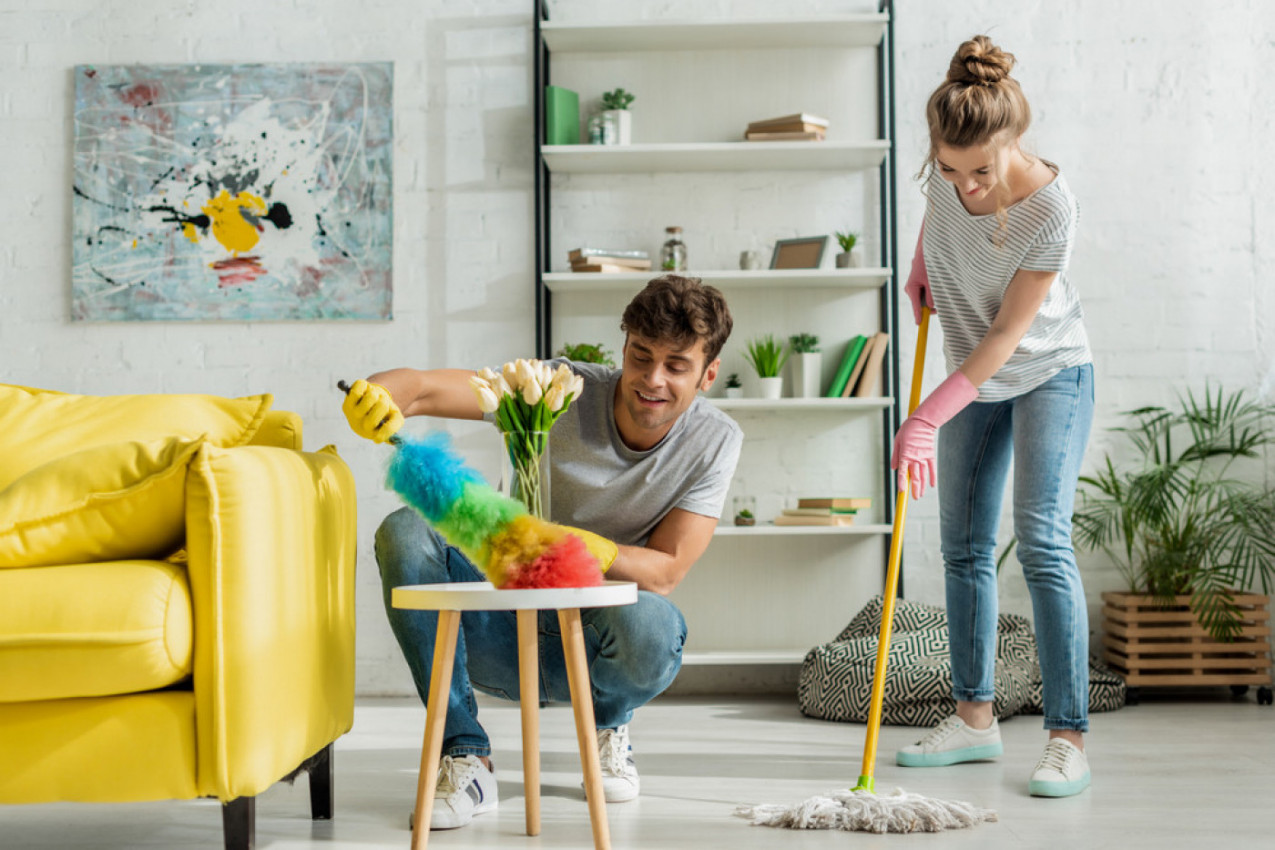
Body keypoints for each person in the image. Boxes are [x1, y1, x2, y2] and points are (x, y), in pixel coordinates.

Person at [342, 273, 743, 830]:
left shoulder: (715, 440)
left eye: (676, 365)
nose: (652, 379)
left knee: (655, 626)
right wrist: (381, 394)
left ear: (708, 374)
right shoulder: (558, 388)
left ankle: (609, 724)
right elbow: (425, 387)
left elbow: (667, 569)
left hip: (599, 642)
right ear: (622, 348)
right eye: (641, 356)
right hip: (499, 625)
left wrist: (586, 548)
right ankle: (464, 755)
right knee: (405, 529)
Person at [890, 36, 1095, 798]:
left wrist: (923, 421)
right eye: (949, 169)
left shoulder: (1049, 207)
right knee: (963, 547)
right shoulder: (946, 170)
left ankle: (1067, 737)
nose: (966, 186)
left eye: (982, 171)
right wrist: (921, 264)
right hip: (972, 374)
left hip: (1045, 372)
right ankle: (973, 721)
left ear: (1012, 142)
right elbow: (938, 217)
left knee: (1040, 541)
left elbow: (1007, 336)